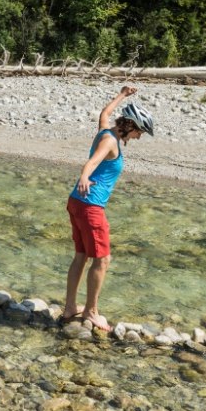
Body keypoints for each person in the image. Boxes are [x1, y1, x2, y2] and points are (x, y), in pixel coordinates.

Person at [63, 85, 154, 331]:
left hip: (77, 202)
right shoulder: (109, 141)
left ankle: (70, 307)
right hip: (90, 205)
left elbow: (104, 113)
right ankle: (91, 312)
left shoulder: (106, 131)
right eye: (140, 131)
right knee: (102, 260)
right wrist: (84, 176)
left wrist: (122, 94)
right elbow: (92, 162)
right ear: (131, 125)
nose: (139, 137)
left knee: (81, 256)